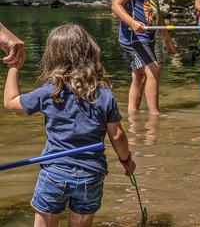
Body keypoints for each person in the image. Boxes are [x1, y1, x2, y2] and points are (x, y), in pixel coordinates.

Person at [3, 23, 136, 227]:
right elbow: (117, 135)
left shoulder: (49, 92)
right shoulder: (104, 95)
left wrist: (14, 68)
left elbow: (10, 103)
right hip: (91, 175)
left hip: (55, 173)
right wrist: (127, 162)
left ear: (52, 58)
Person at [111, 0, 177, 115]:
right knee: (154, 70)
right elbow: (116, 5)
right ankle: (155, 115)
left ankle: (133, 114)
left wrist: (167, 39)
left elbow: (158, 15)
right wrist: (132, 23)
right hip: (133, 37)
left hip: (148, 37)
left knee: (140, 74)